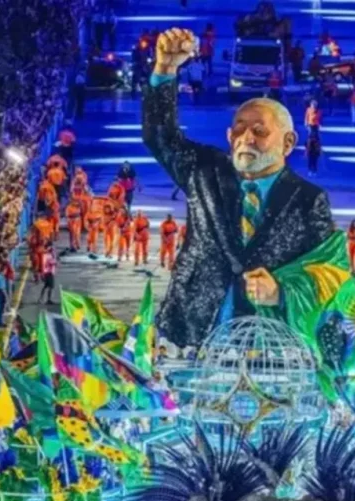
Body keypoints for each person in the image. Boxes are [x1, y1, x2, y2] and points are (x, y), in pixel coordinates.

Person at [143, 28, 337, 347]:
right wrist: (165, 70)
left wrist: (281, 292)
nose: (247, 138)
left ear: (288, 143)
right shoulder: (203, 171)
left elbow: (328, 274)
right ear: (230, 138)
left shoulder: (309, 200)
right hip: (193, 329)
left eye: (260, 131)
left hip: (269, 341)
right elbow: (159, 136)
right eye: (240, 129)